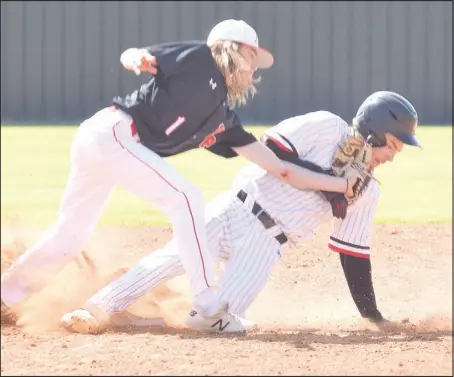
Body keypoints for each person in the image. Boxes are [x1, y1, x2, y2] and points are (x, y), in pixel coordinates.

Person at [0, 20, 357, 325]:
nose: (253, 68)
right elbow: (136, 55)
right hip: (111, 133)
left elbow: (278, 168)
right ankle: (207, 302)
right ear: (230, 49)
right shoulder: (199, 58)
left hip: (116, 147)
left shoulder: (223, 118)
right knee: (187, 197)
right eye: (251, 56)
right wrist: (136, 59)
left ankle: (6, 295)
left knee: (72, 234)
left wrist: (340, 184)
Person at [59, 90, 421, 334]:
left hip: (266, 245)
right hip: (236, 206)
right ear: (373, 132)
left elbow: (352, 254)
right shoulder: (327, 126)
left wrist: (372, 316)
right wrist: (329, 180)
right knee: (170, 258)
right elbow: (271, 151)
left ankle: (149, 318)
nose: (391, 156)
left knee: (212, 322)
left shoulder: (367, 191)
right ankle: (97, 309)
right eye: (391, 144)